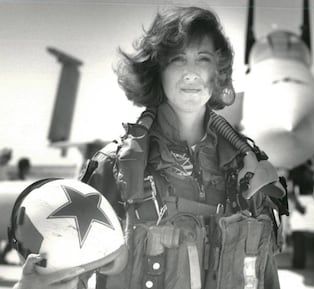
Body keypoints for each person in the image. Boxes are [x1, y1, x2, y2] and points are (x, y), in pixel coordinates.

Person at [14, 6, 287, 289]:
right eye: (178, 60)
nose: (191, 73)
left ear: (218, 73)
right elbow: (68, 278)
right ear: (158, 71)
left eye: (203, 59)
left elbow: (264, 275)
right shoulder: (115, 168)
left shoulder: (249, 172)